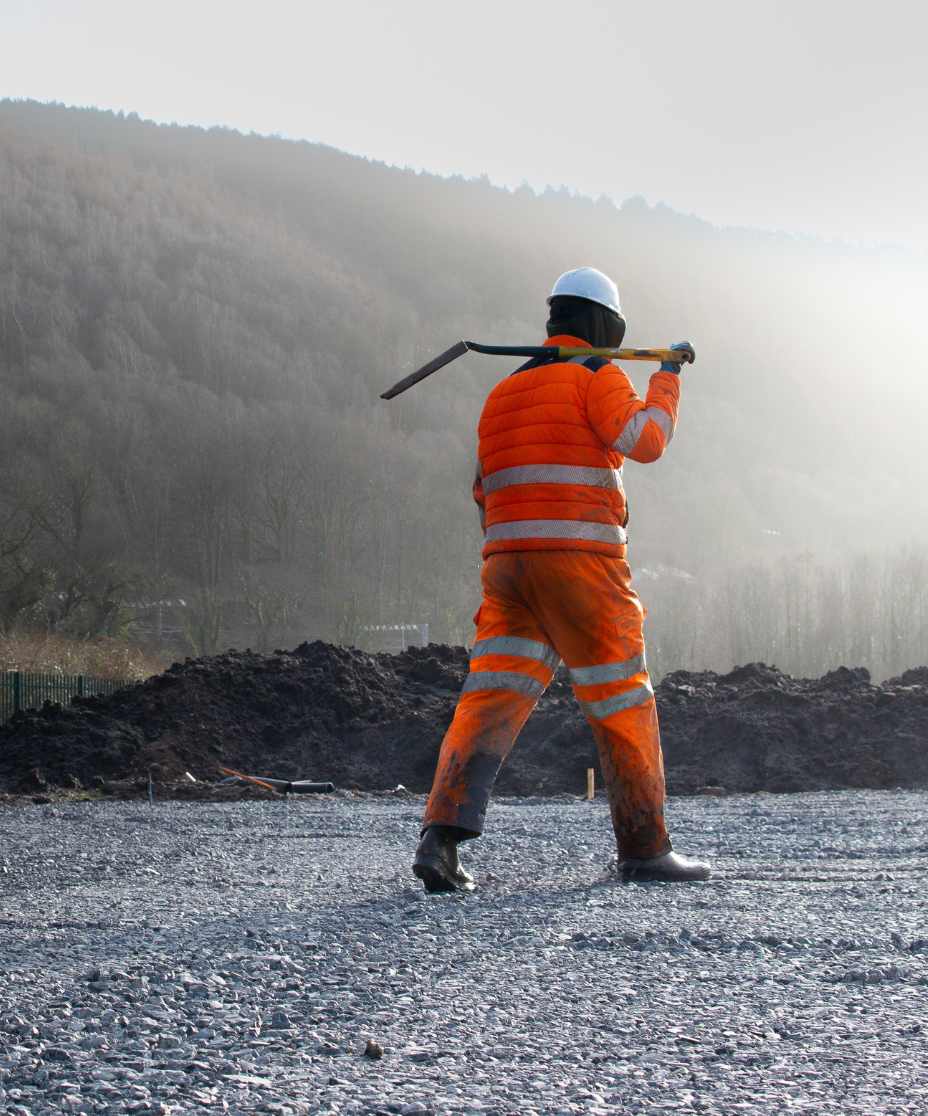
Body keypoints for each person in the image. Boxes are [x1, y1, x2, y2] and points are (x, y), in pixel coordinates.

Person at [412, 266, 711, 891]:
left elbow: (481, 489)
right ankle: (646, 849)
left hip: (507, 570)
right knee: (621, 696)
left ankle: (440, 841)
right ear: (606, 325)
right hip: (580, 567)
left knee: (489, 697)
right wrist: (667, 377)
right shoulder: (597, 375)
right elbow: (645, 439)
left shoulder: (503, 394)